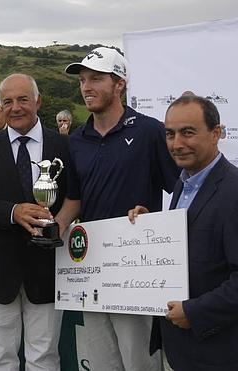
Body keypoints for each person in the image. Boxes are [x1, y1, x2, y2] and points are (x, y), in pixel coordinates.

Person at [128, 95, 238, 371]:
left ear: (216, 134)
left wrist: (195, 313)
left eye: (188, 132)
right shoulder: (181, 185)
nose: (176, 144)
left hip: (221, 353)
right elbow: (196, 241)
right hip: (180, 348)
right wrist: (153, 230)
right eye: (170, 134)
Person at [54, 47, 179, 371]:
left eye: (96, 78)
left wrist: (157, 221)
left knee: (140, 363)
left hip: (137, 272)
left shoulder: (150, 131)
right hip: (91, 269)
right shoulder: (77, 140)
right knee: (99, 363)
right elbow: (75, 199)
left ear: (119, 83)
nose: (86, 87)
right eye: (83, 80)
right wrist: (56, 226)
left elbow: (182, 190)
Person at [0, 73, 68, 370]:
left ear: (38, 101)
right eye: (7, 101)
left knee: (44, 356)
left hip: (47, 268)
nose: (15, 107)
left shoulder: (63, 146)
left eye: (23, 99)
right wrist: (13, 212)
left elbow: (75, 198)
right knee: (2, 356)